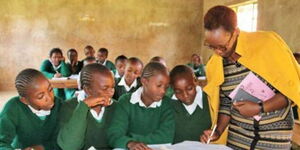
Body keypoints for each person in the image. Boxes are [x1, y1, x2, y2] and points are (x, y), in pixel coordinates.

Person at [200, 6, 300, 150]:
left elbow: (291, 92)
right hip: (238, 136)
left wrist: (260, 108)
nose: (218, 52)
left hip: (274, 136)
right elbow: (226, 104)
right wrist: (218, 131)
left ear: (236, 32)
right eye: (212, 47)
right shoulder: (216, 64)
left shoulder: (267, 44)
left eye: (222, 47)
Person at [108, 62, 175, 150]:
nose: (163, 91)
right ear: (144, 81)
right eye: (159, 85)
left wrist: (129, 138)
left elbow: (166, 137)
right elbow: (114, 135)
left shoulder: (167, 103)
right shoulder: (125, 101)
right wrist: (129, 143)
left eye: (166, 87)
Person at [58, 64, 116, 150]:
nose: (111, 92)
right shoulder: (68, 107)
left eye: (112, 87)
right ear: (87, 89)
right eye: (105, 88)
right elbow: (69, 146)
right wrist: (83, 107)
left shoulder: (116, 106)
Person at [0, 69, 61, 149]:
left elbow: (64, 141)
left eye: (50, 90)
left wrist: (41, 148)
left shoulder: (59, 105)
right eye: (40, 96)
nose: (49, 98)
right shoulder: (13, 107)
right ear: (25, 100)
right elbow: (1, 143)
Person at [169, 65, 211, 144]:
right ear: (172, 88)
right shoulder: (168, 105)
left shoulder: (210, 101)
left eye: (189, 89)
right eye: (178, 92)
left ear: (195, 81)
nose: (185, 95)